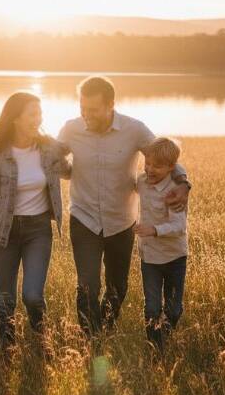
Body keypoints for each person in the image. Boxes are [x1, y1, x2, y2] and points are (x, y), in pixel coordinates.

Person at [57, 76, 191, 336]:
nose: (86, 115)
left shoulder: (134, 129)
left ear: (111, 105)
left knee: (117, 287)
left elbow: (166, 156)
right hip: (83, 219)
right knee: (87, 285)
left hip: (121, 221)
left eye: (93, 110)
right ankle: (91, 340)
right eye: (82, 108)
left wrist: (184, 182)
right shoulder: (70, 129)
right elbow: (54, 159)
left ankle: (106, 329)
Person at [0, 92, 71, 349]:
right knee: (5, 300)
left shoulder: (49, 147)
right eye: (32, 114)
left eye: (40, 113)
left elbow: (71, 170)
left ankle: (41, 344)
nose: (38, 119)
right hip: (3, 232)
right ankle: (8, 351)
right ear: (15, 118)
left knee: (33, 296)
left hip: (38, 230)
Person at [133, 138, 188, 350]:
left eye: (157, 166)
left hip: (175, 257)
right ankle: (155, 350)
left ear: (171, 167)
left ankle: (163, 335)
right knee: (152, 307)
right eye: (147, 163)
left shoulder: (176, 190)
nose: (150, 169)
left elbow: (179, 225)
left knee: (174, 309)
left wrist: (154, 230)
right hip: (150, 259)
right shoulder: (141, 182)